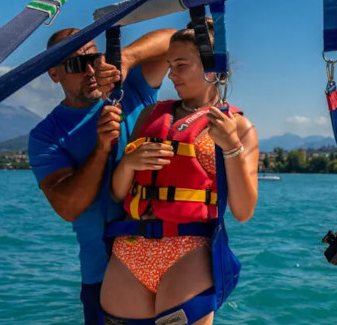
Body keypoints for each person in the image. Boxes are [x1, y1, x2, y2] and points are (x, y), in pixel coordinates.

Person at [99, 27, 259, 325]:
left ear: (212, 65)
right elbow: (118, 194)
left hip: (186, 256)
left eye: (181, 65)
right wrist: (128, 164)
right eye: (170, 66)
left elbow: (243, 211)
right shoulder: (151, 116)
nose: (172, 75)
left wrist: (232, 147)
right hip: (129, 252)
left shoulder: (239, 127)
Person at [28, 27, 175, 324]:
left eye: (93, 58)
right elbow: (68, 206)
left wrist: (126, 57)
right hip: (103, 273)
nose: (90, 70)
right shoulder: (46, 135)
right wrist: (100, 148)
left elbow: (178, 39)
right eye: (75, 64)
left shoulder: (132, 88)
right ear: (54, 74)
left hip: (166, 263)